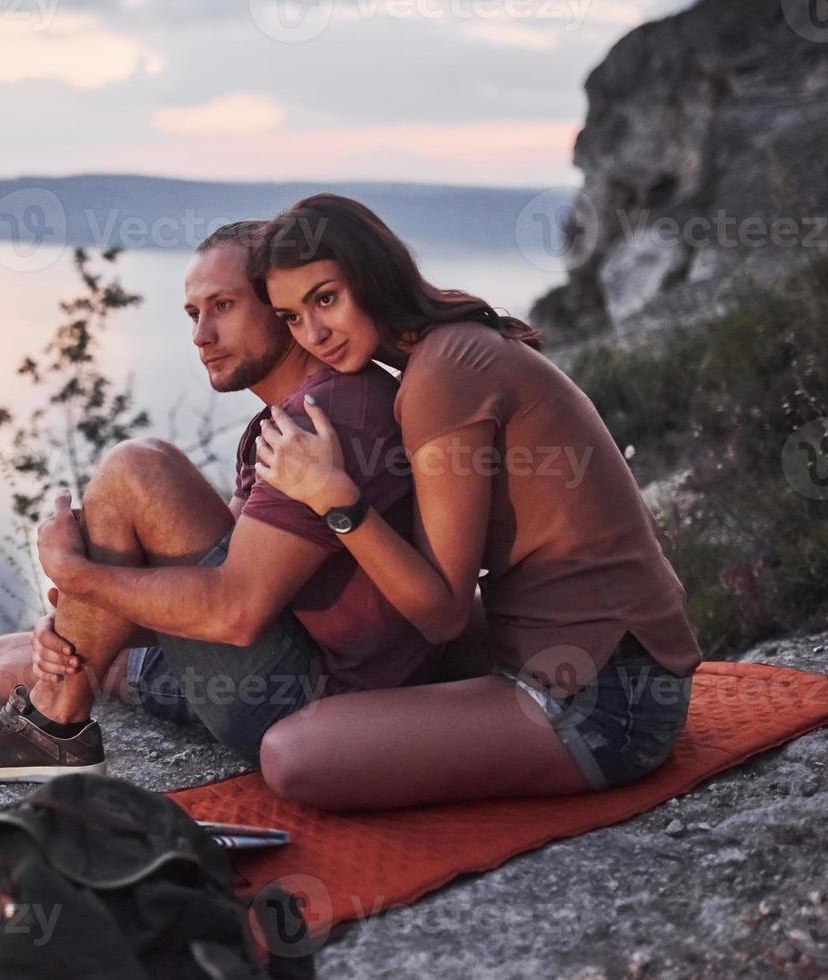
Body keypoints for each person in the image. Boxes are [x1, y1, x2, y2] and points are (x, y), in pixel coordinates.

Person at [0, 221, 450, 783]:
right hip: (288, 663)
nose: (202, 336)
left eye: (224, 307)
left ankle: (50, 725)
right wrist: (87, 612)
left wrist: (79, 577)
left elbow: (235, 611)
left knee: (137, 468)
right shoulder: (276, 426)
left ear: (279, 306)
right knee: (93, 653)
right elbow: (248, 573)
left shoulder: (329, 414)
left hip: (315, 703)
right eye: (192, 314)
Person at [215, 192, 701, 811]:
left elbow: (442, 613)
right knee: (362, 655)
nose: (313, 334)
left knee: (292, 754)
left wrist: (332, 498)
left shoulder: (442, 374)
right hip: (609, 667)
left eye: (326, 299)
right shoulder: (449, 347)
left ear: (372, 274)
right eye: (289, 317)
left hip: (605, 703)